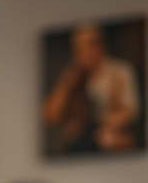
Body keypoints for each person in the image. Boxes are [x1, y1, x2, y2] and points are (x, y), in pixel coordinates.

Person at [42, 22, 141, 154]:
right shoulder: (74, 77)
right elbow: (50, 115)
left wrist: (100, 126)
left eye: (91, 44)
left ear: (101, 45)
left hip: (111, 140)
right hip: (79, 146)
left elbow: (130, 111)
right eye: (79, 49)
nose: (85, 53)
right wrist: (66, 84)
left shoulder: (120, 71)